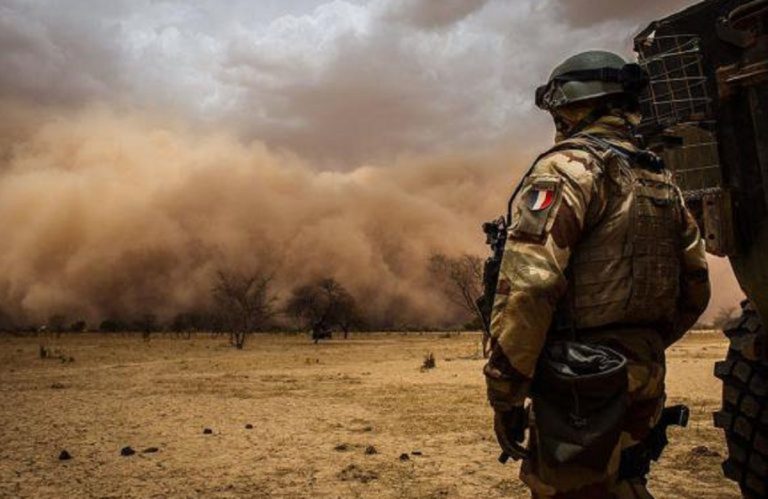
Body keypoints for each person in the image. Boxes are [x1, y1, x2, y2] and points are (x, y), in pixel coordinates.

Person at [484, 50, 711, 498]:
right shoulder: (659, 178)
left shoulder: (567, 169)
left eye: (558, 108)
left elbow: (531, 285)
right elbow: (695, 287)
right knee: (626, 483)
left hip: (581, 378)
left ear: (575, 105)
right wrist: (641, 344)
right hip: (644, 371)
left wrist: (506, 392)